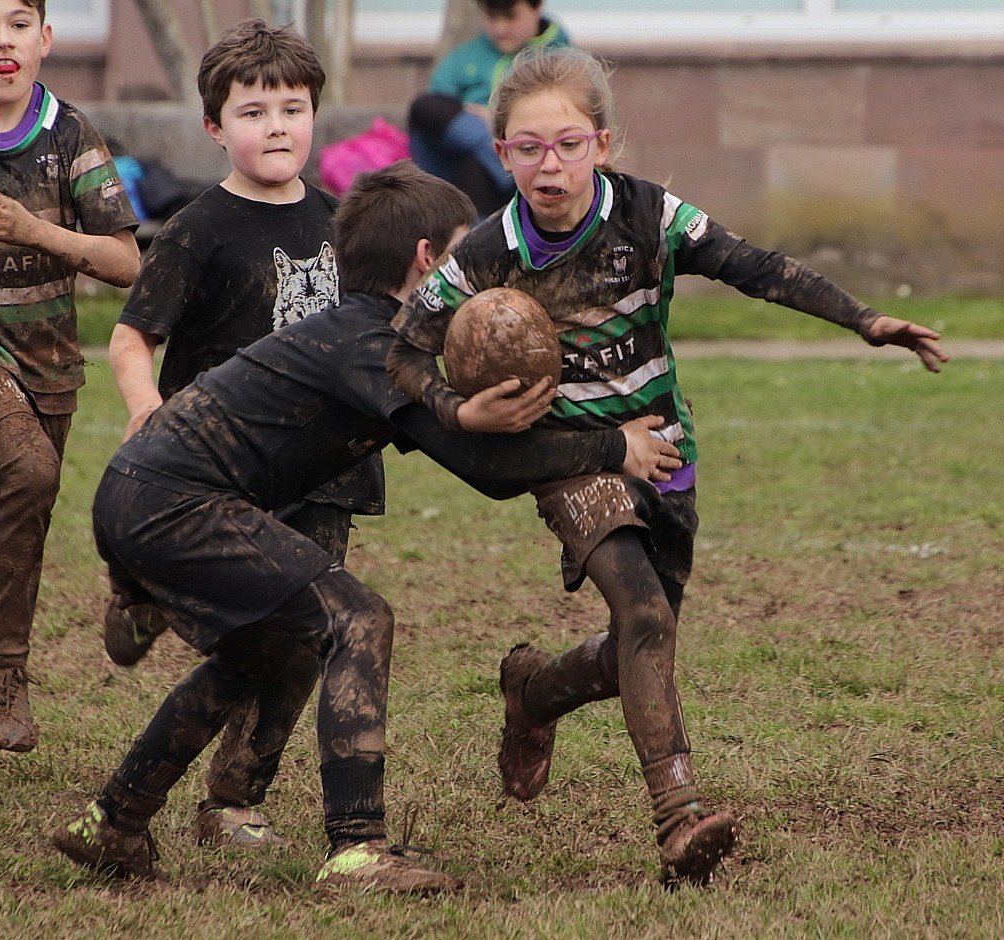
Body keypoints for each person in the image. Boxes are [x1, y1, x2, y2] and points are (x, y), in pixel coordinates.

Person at [386, 47, 950, 888]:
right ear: (501, 153)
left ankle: (534, 694)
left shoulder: (651, 217)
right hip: (569, 462)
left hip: (665, 450)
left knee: (637, 648)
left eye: (570, 144)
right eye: (531, 147)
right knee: (644, 614)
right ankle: (679, 816)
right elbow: (402, 354)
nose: (551, 165)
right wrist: (458, 411)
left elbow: (756, 267)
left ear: (603, 144)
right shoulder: (484, 255)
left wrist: (864, 320)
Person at [52, 160, 681, 891]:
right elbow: (482, 465)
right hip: (172, 502)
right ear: (426, 260)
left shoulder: (376, 340)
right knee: (360, 619)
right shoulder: (372, 343)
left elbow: (479, 454)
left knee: (263, 655)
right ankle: (356, 851)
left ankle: (113, 822)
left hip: (141, 496)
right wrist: (615, 447)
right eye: (463, 255)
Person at [104, 19, 385, 850]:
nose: (276, 127)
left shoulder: (343, 224)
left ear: (314, 117)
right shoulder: (198, 230)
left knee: (306, 643)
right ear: (215, 127)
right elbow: (131, 337)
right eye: (254, 111)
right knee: (254, 641)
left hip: (325, 471)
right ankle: (143, 589)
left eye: (292, 109)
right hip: (220, 473)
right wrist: (144, 409)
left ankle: (233, 799)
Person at [0, 0, 140, 753]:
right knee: (29, 468)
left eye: (16, 23)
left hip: (48, 362)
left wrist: (34, 230)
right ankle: (2, 669)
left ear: (45, 39)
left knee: (19, 517)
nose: (0, 42)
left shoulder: (70, 134)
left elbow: (123, 260)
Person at [409, 0, 569, 216]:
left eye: (511, 17)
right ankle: (498, 153)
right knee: (425, 107)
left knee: (474, 167)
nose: (500, 28)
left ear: (537, 8)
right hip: (455, 164)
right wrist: (480, 125)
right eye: (492, 18)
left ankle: (473, 239)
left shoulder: (564, 60)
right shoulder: (464, 56)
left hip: (527, 160)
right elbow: (437, 111)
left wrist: (498, 121)